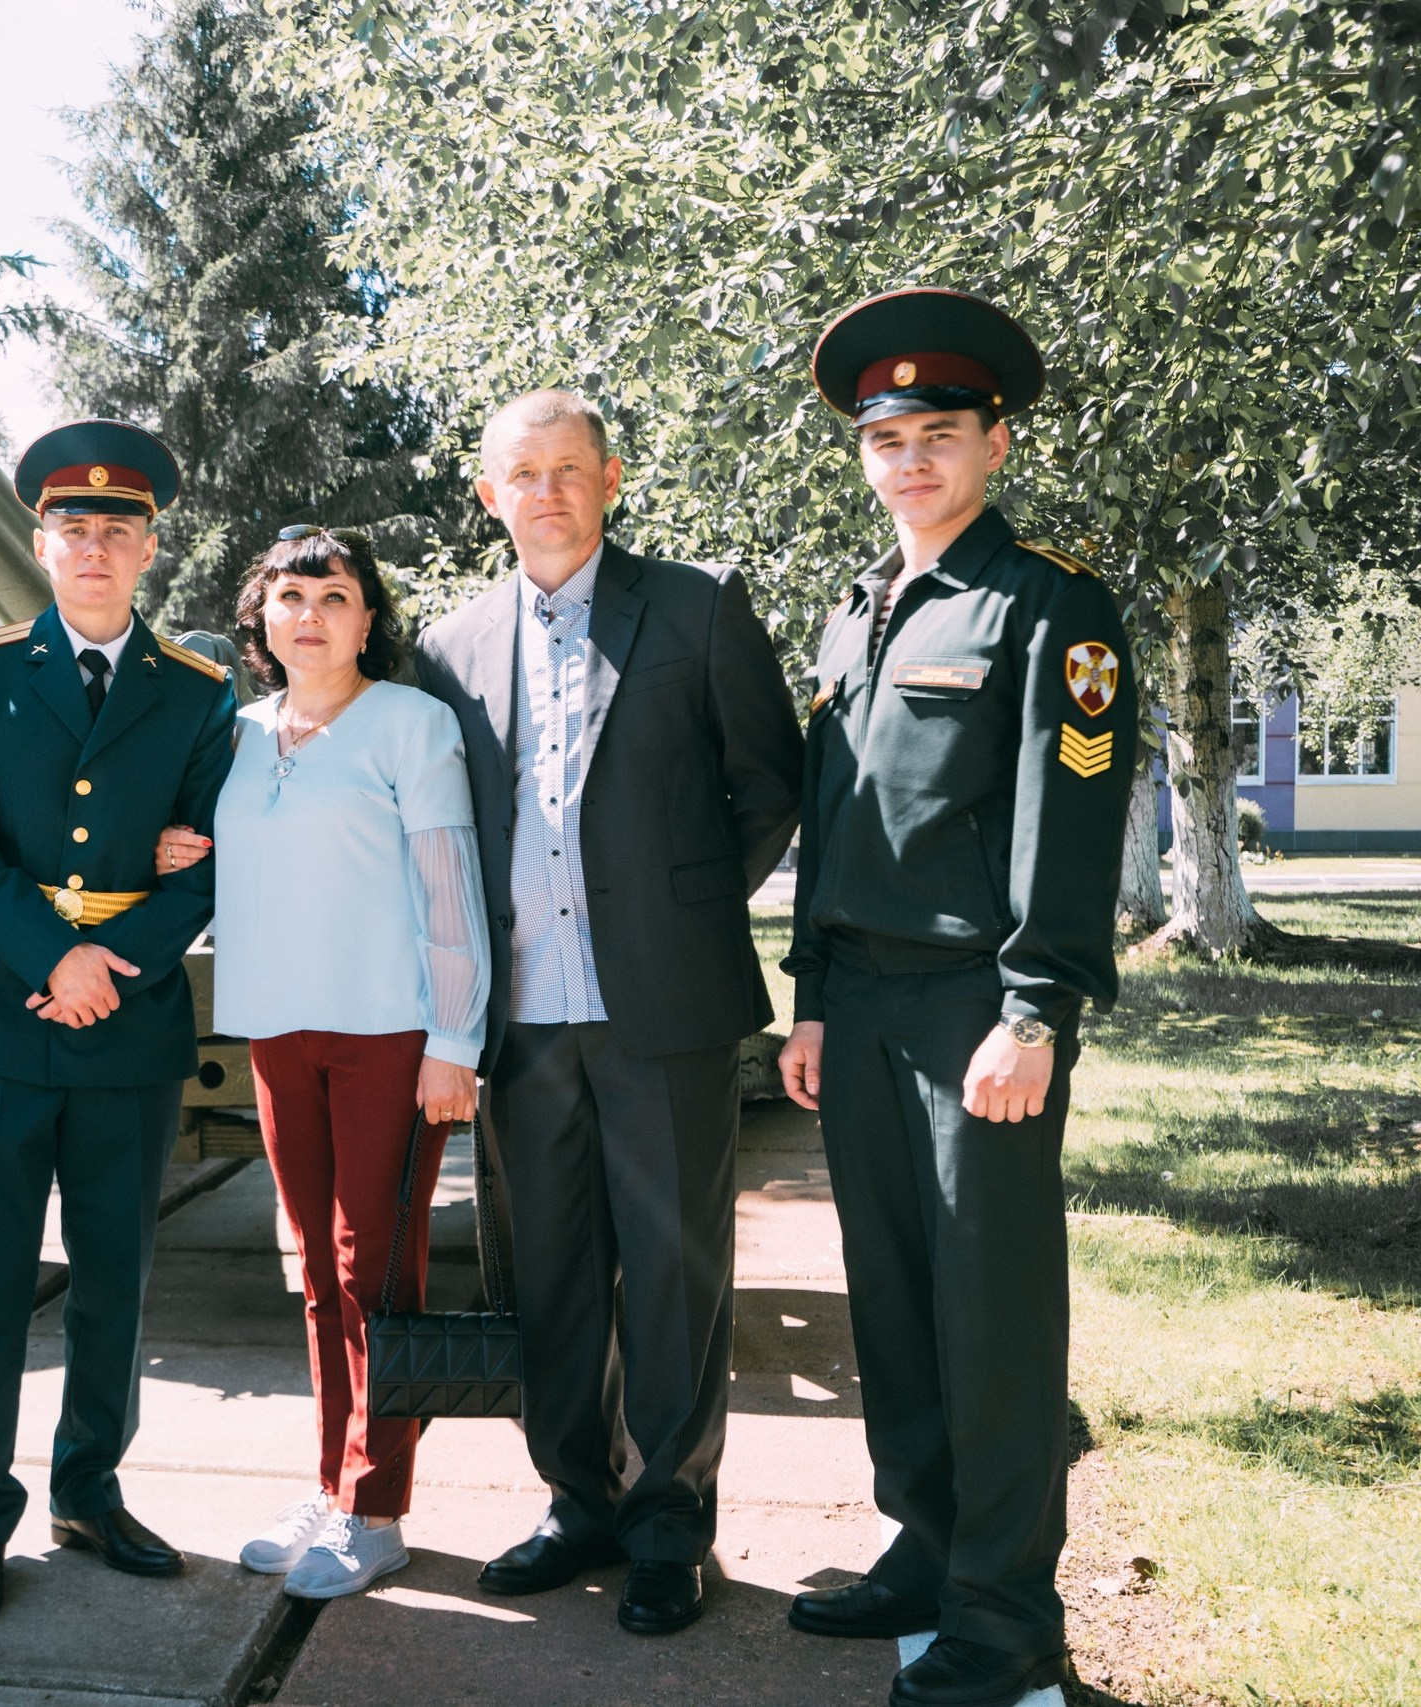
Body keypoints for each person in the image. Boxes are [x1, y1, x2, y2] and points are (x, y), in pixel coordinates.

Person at [776, 290, 1134, 1707]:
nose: (911, 459)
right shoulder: (855, 611)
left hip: (977, 1010)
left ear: (994, 441)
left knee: (992, 1313)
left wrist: (1036, 1007)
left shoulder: (1052, 603)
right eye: (887, 438)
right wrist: (808, 994)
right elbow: (832, 816)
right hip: (857, 1004)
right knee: (895, 1298)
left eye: (939, 433)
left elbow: (1071, 826)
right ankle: (924, 1548)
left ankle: (1003, 1612)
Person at [412, 390, 804, 1635]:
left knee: (675, 1271)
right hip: (520, 1024)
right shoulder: (449, 647)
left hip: (665, 1009)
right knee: (546, 1270)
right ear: (488, 494)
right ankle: (576, 1499)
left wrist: (674, 910)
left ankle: (669, 1524)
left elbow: (768, 787)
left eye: (569, 469)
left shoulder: (696, 608)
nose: (546, 492)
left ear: (610, 478)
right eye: (521, 473)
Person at [0, 419, 237, 1624]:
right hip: (1, 1018)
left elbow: (214, 859)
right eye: (72, 526)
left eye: (117, 528)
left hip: (131, 1023)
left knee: (116, 1276)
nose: (93, 546)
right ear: (40, 539)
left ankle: (89, 1490)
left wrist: (114, 961)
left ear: (150, 547)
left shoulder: (199, 690)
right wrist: (58, 956)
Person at [155, 527, 488, 1600]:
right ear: (259, 618)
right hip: (278, 1033)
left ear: (367, 618)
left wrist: (455, 1040)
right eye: (289, 596)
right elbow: (204, 850)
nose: (310, 614)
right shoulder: (237, 735)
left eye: (334, 595)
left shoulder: (410, 722)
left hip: (393, 1032)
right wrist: (172, 845)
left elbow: (449, 888)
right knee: (315, 1274)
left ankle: (378, 1507)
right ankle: (330, 1484)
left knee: (376, 1270)